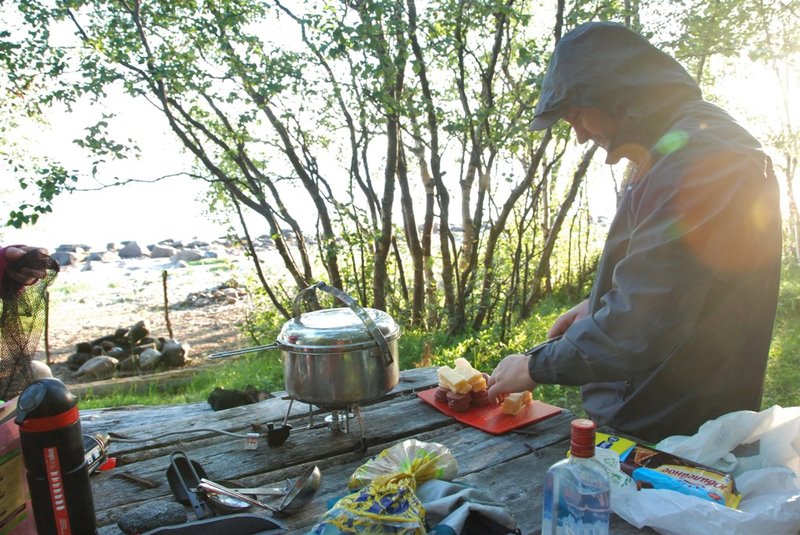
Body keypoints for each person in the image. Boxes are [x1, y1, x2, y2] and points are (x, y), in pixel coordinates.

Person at [486, 22, 782, 442]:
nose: (580, 135)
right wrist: (596, 305)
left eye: (576, 116)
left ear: (615, 95)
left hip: (676, 429)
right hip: (656, 406)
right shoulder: (673, 146)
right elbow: (672, 276)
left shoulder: (706, 159)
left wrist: (535, 366)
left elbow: (640, 326)